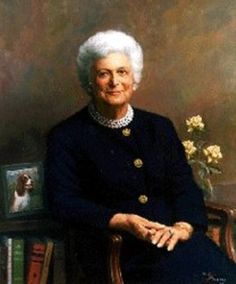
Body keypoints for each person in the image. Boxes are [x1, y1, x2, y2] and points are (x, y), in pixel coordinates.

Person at [45, 30, 236, 283]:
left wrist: (184, 227)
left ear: (133, 77)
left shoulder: (159, 127)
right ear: (90, 81)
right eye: (104, 73)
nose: (114, 81)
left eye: (122, 72)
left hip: (173, 239)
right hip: (118, 247)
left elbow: (184, 186)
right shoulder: (67, 135)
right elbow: (62, 201)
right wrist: (122, 221)